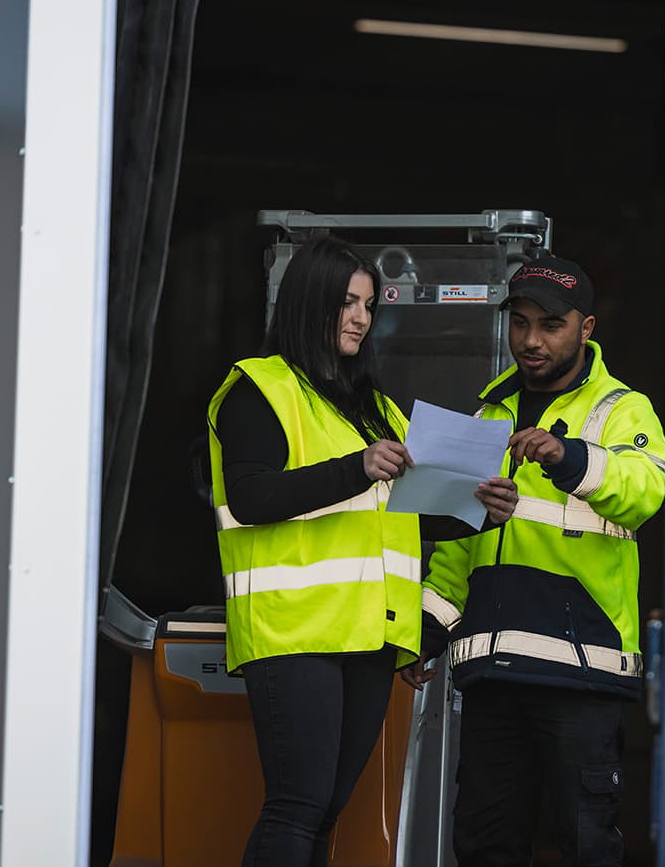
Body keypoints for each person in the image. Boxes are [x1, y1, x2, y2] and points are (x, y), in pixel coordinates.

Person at [207, 234, 512, 867]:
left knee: (323, 811)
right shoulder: (258, 389)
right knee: (297, 806)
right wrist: (358, 467)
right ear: (307, 303)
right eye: (347, 303)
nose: (360, 319)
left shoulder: (374, 407)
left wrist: (480, 512)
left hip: (368, 638)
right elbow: (251, 499)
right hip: (295, 633)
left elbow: (402, 517)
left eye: (369, 306)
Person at [404, 254, 665, 867]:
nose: (530, 340)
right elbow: (453, 554)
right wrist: (420, 633)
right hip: (493, 674)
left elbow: (642, 493)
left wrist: (567, 456)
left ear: (587, 328)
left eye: (549, 325)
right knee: (485, 846)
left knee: (587, 846)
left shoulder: (621, 410)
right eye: (519, 322)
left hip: (582, 672)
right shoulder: (482, 416)